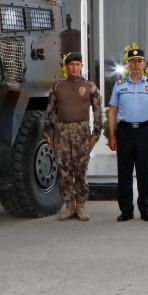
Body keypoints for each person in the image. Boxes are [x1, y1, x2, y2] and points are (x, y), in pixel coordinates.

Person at [106, 48, 148, 222]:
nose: (136, 64)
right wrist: (112, 135)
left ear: (144, 64)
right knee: (124, 172)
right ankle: (126, 210)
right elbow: (112, 112)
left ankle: (145, 209)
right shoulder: (119, 85)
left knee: (144, 172)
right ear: (128, 64)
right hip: (125, 132)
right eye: (132, 61)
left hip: (145, 131)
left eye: (139, 61)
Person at [43, 52, 102, 221]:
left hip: (82, 133)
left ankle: (81, 205)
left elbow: (98, 112)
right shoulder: (57, 86)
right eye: (71, 64)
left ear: (82, 66)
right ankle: (69, 205)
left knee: (80, 169)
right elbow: (49, 111)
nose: (74, 67)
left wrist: (95, 134)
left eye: (77, 64)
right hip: (61, 134)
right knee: (64, 170)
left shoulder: (90, 86)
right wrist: (49, 132)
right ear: (66, 67)